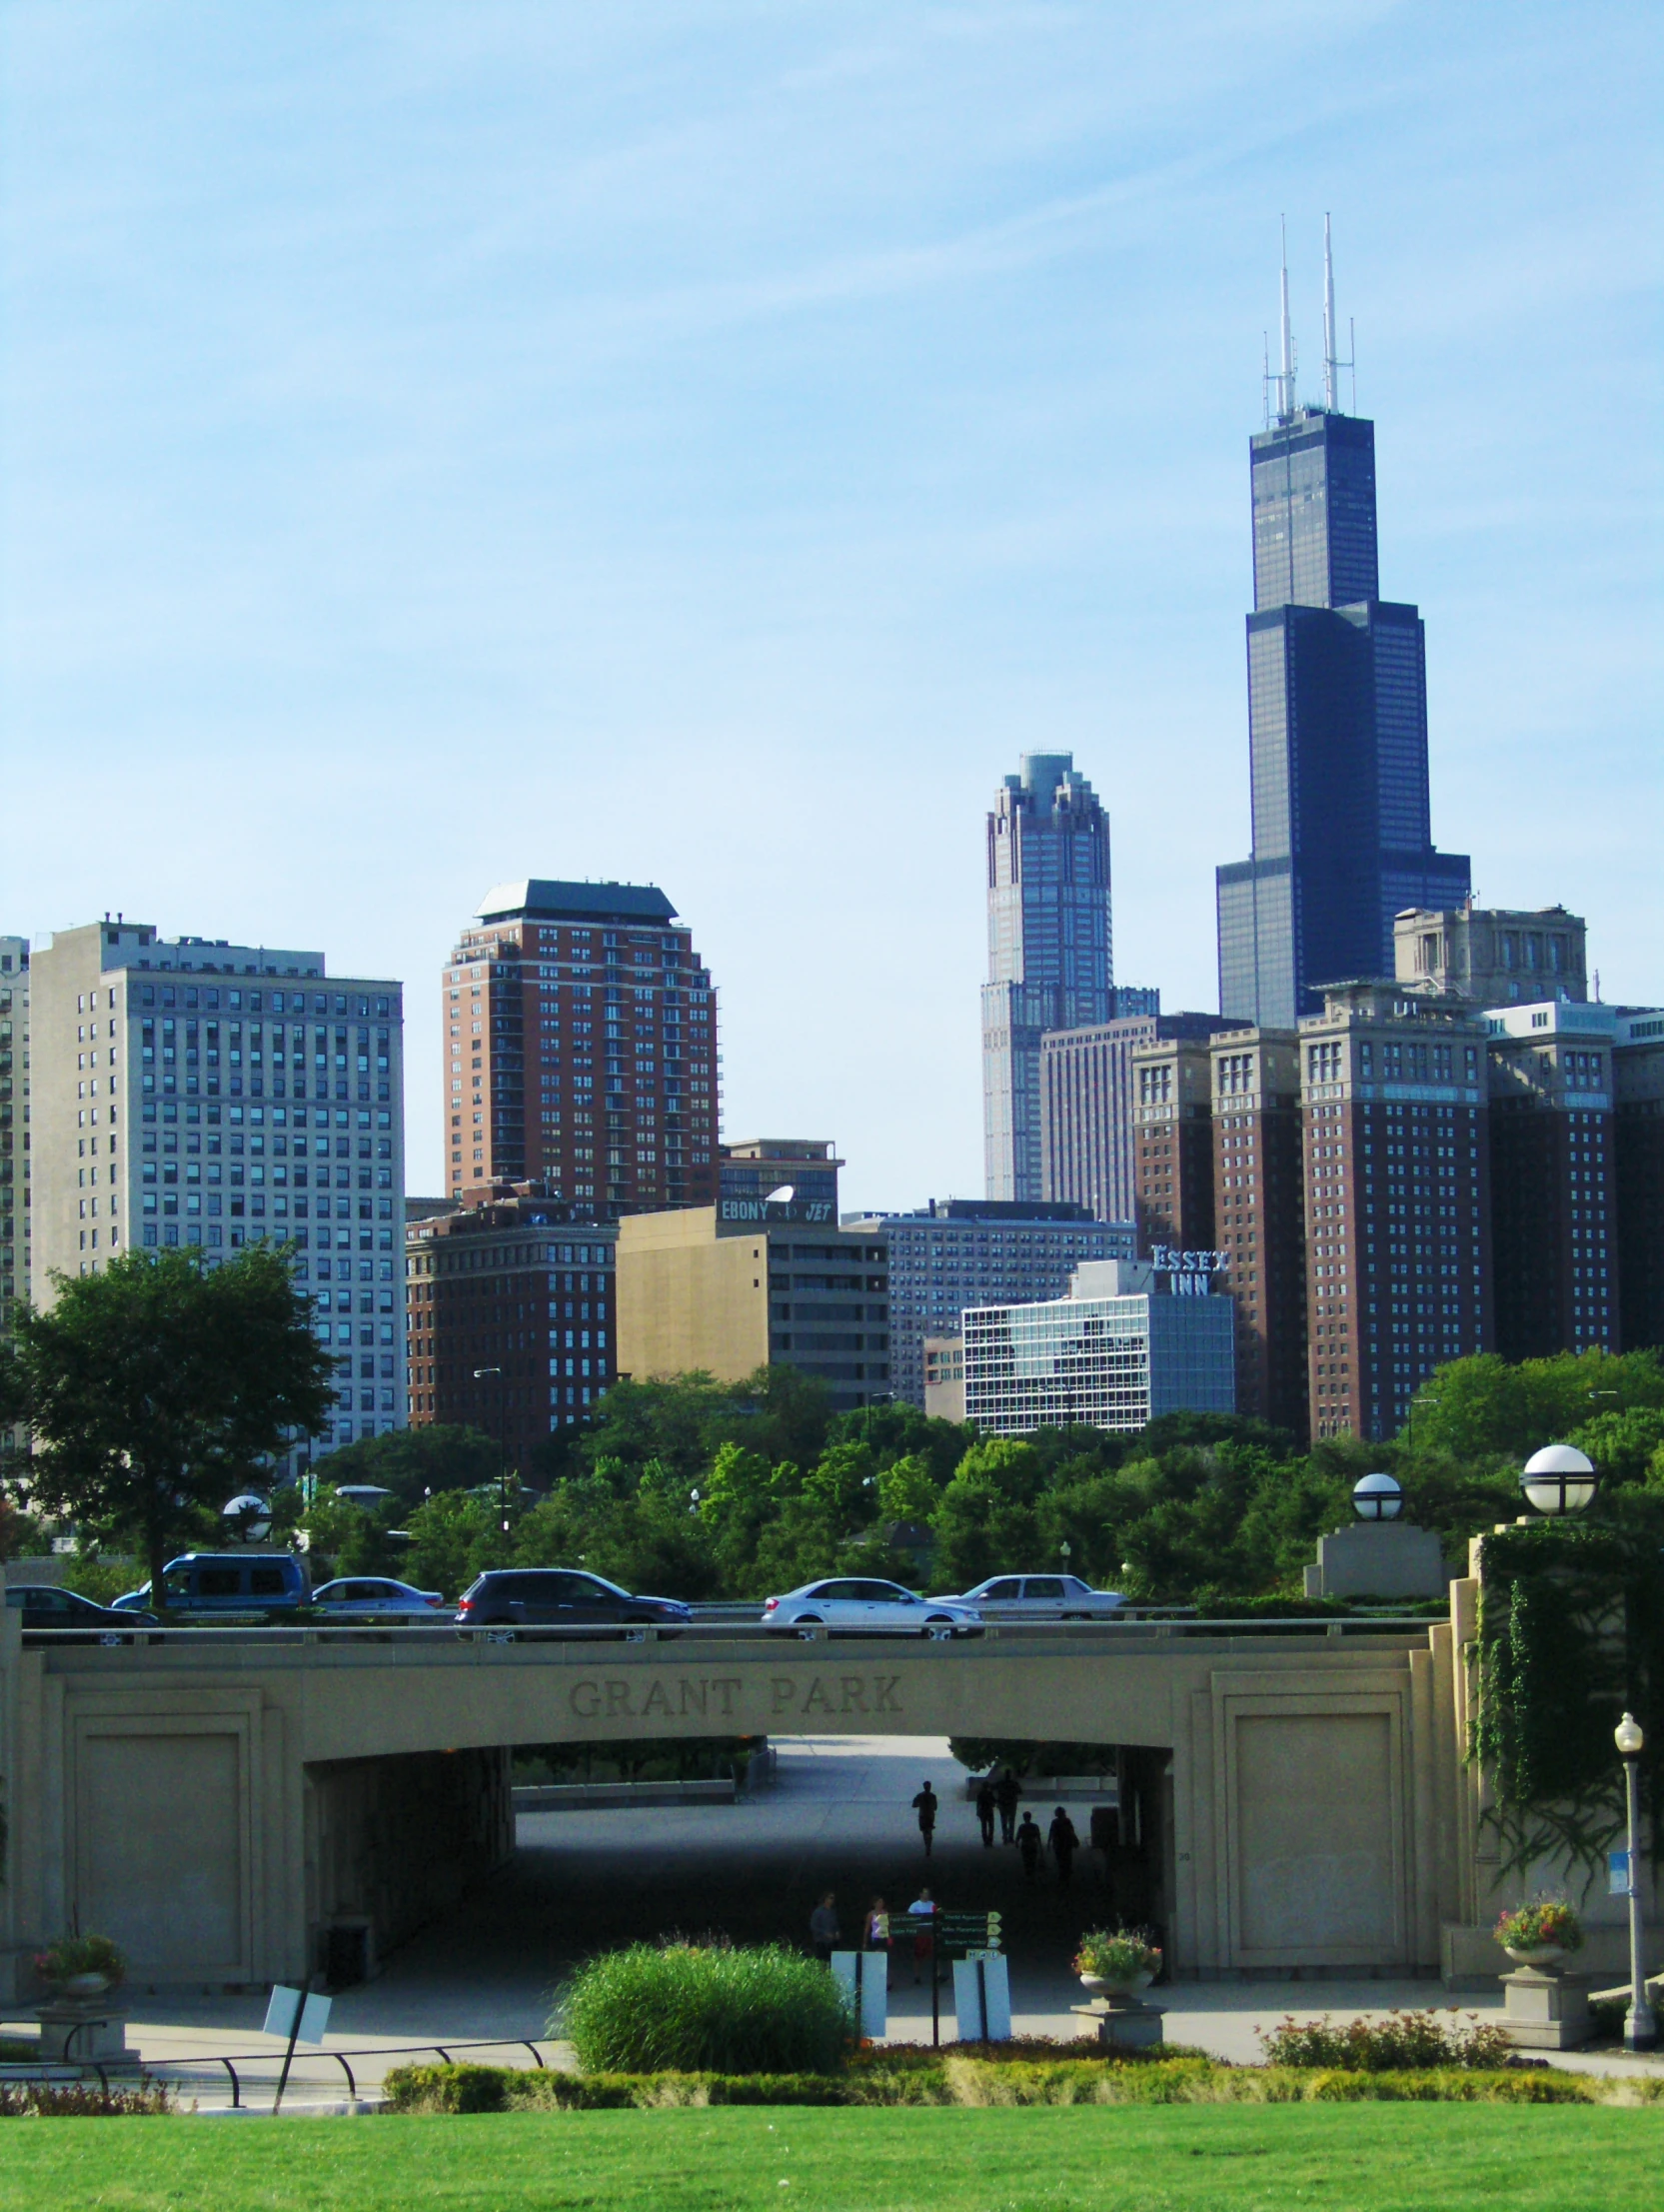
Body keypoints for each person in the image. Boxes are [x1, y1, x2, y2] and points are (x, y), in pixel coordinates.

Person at [906, 1886, 937, 1985]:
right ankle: (917, 1976)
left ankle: (938, 1974)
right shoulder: (915, 1905)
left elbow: (937, 1915)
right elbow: (908, 1916)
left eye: (928, 1893)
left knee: (934, 1953)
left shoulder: (932, 1904)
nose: (927, 1895)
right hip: (920, 1932)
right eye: (925, 1893)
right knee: (918, 1956)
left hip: (930, 1931)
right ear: (920, 1894)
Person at [1048, 1806, 1080, 1890]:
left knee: (1060, 1861)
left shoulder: (1054, 1822)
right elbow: (1071, 1832)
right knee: (1067, 1860)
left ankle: (1062, 1877)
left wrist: (1049, 1843)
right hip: (1067, 1843)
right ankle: (1067, 1878)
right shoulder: (1067, 1821)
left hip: (1058, 1844)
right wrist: (1075, 1841)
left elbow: (1051, 1833)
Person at [863, 1896, 891, 1982]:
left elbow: (889, 1927)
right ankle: (875, 1979)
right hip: (875, 1938)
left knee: (884, 1959)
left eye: (882, 1902)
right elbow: (867, 1928)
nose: (880, 1904)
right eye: (879, 1902)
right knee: (875, 1958)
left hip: (884, 1937)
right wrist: (864, 1942)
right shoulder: (871, 1914)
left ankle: (886, 1980)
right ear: (874, 1903)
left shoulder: (886, 1913)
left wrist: (890, 1937)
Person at [809, 1891, 840, 1963]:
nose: (833, 1900)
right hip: (821, 1941)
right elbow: (813, 1926)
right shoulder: (818, 1912)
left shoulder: (832, 1912)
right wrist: (824, 1933)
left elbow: (835, 1924)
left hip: (832, 1942)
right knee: (821, 1961)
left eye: (833, 1898)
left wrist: (837, 1931)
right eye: (831, 1898)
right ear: (825, 1899)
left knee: (831, 1961)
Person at [911, 1779, 938, 1858]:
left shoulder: (919, 1796)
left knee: (924, 1831)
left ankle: (927, 1846)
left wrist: (920, 1804)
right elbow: (935, 1807)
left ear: (924, 1787)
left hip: (922, 1815)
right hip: (930, 1815)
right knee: (929, 1831)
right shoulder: (933, 1796)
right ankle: (928, 1847)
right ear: (930, 1787)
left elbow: (914, 1805)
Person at [995, 1767, 1022, 1845]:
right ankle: (1010, 1837)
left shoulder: (1000, 1783)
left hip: (1002, 1804)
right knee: (1011, 1821)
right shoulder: (1014, 1783)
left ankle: (1005, 1837)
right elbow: (1020, 1791)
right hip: (1012, 1804)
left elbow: (992, 1787)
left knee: (1004, 1821)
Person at [1015, 1810, 1042, 1884]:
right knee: (1033, 1860)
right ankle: (1032, 1876)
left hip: (1025, 1845)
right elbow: (1038, 1837)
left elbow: (1018, 1836)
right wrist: (1041, 1847)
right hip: (1033, 1844)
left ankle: (1028, 1876)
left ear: (1024, 1818)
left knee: (1026, 1861)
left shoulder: (1022, 1826)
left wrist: (1016, 1843)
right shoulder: (1035, 1826)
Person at [975, 1777, 997, 1847]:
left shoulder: (980, 1794)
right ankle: (990, 1841)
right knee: (991, 1827)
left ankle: (985, 1841)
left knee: (984, 1827)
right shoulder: (989, 1793)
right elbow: (994, 1801)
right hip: (989, 1811)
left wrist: (978, 1811)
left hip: (983, 1811)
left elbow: (978, 1804)